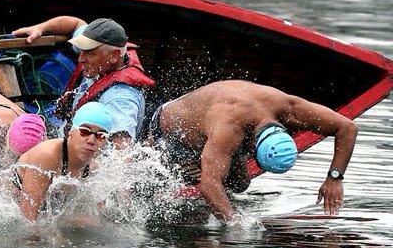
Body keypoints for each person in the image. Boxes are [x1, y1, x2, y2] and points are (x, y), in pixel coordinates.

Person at [146, 80, 358, 222]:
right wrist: (235, 224)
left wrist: (335, 178)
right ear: (253, 147)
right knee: (154, 189)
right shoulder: (229, 128)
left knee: (240, 184)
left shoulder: (290, 108)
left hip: (219, 121)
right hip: (171, 133)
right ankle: (189, 167)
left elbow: (347, 128)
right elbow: (209, 187)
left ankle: (203, 165)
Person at [13, 16, 154, 146]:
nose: (80, 59)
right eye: (81, 50)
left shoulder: (120, 99)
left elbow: (123, 155)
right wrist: (40, 28)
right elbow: (75, 24)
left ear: (114, 55)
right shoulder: (102, 52)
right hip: (63, 132)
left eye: (90, 53)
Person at [0, 102, 114, 223]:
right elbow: (27, 219)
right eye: (85, 131)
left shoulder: (94, 169)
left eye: (101, 135)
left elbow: (99, 218)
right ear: (71, 132)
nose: (91, 140)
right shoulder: (47, 156)